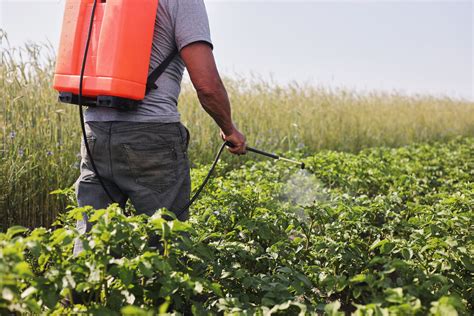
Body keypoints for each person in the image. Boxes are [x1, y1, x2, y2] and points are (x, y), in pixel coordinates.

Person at [73, 0, 246, 256]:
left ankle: (80, 294)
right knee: (165, 243)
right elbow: (207, 85)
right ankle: (156, 294)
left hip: (94, 131)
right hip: (151, 136)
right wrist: (229, 128)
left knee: (92, 241)